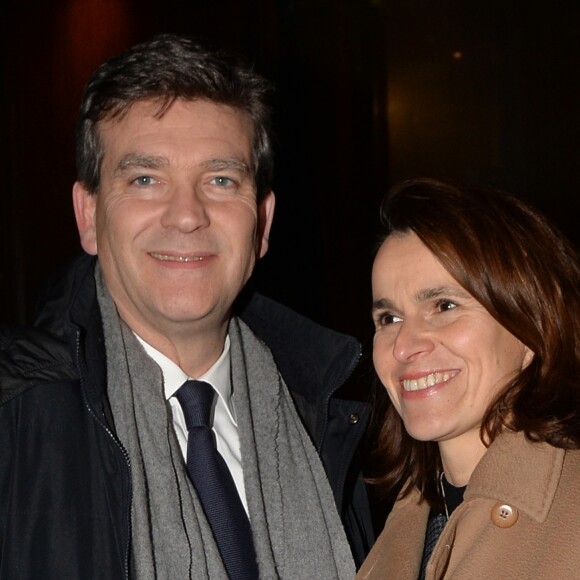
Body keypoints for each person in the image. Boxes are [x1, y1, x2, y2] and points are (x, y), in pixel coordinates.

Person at [0, 33, 374, 578]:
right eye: (146, 179)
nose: (186, 215)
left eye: (220, 180)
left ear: (262, 224)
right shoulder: (15, 419)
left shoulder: (336, 421)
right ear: (88, 215)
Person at [357, 177, 580, 580]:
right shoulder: (402, 522)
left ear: (531, 326)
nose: (404, 346)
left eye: (443, 306)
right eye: (388, 318)